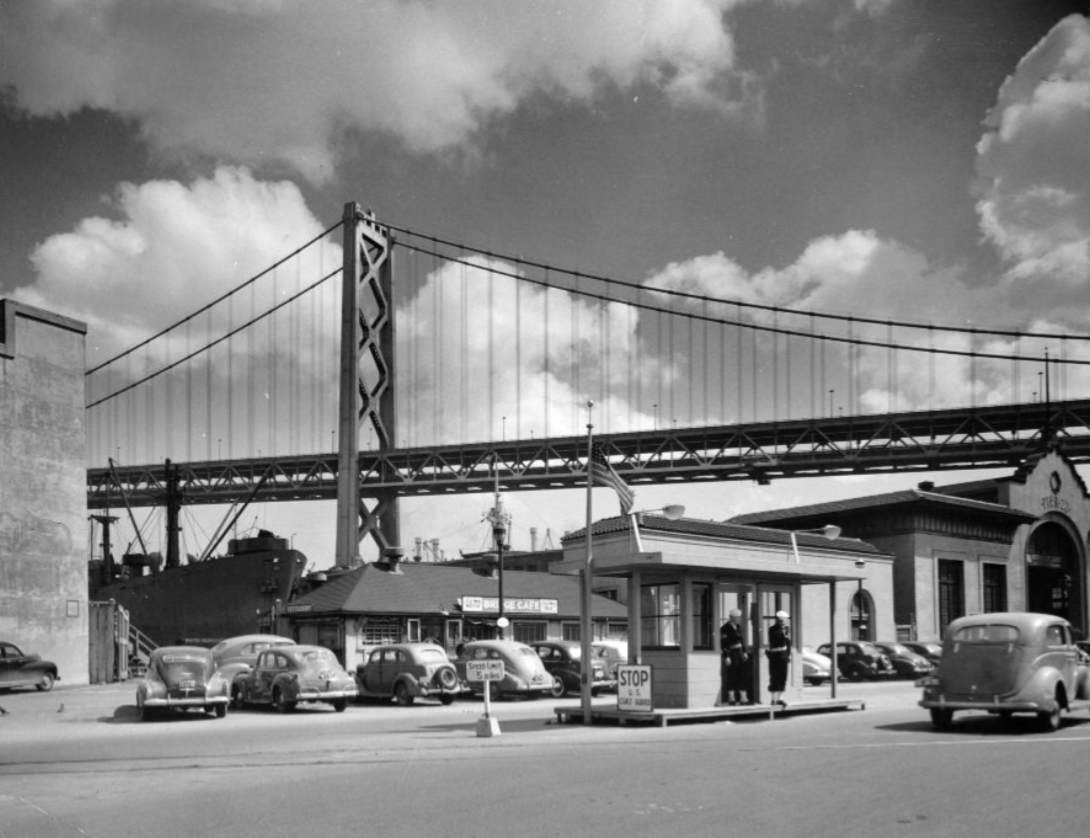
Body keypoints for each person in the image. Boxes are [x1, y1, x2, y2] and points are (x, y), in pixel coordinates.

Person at [719, 608, 750, 705]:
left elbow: (742, 640)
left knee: (742, 674)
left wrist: (744, 652)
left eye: (739, 617)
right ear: (732, 618)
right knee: (732, 675)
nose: (739, 619)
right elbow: (724, 644)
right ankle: (731, 697)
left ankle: (743, 697)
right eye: (737, 617)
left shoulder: (738, 627)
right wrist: (727, 656)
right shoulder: (725, 628)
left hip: (740, 652)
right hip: (732, 653)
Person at [767, 610, 791, 707]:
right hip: (775, 655)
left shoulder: (786, 629)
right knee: (774, 677)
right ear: (778, 620)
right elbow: (775, 640)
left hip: (783, 655)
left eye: (785, 620)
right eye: (783, 620)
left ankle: (779, 698)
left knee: (783, 676)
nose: (785, 621)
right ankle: (773, 699)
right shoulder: (772, 629)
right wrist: (783, 633)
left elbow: (788, 643)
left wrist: (788, 655)